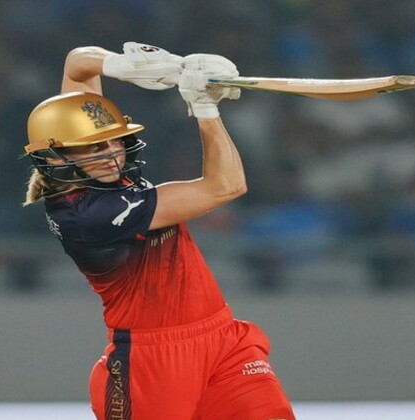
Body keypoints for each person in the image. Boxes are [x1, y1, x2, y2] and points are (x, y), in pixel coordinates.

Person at [23, 43, 295, 420]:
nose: (112, 154)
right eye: (94, 146)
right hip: (151, 361)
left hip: (223, 340)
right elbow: (226, 186)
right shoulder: (92, 215)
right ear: (57, 157)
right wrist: (205, 109)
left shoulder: (91, 173)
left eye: (115, 139)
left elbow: (77, 63)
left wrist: (121, 66)